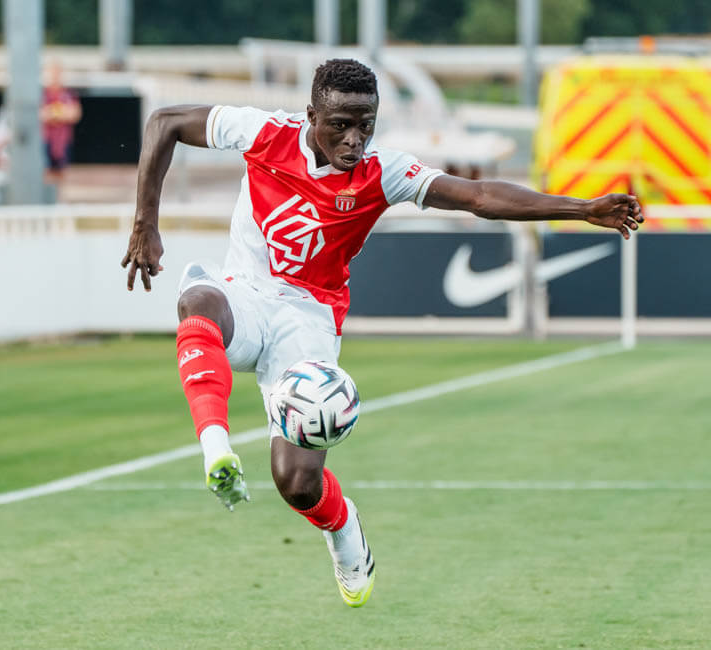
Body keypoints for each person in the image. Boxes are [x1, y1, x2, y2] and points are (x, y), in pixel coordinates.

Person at [120, 59, 642, 608]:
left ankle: (343, 528)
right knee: (198, 302)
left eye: (365, 125)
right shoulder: (263, 132)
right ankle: (216, 450)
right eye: (340, 125)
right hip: (246, 293)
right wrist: (145, 223)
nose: (354, 139)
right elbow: (164, 123)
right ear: (311, 116)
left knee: (296, 482)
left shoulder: (382, 171)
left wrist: (581, 208)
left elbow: (479, 197)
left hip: (308, 319)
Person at [40, 63, 82, 183]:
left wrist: (54, 113)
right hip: (46, 139)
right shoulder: (42, 94)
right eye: (52, 74)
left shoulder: (68, 94)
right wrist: (58, 113)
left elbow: (75, 114)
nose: (55, 77)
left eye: (57, 74)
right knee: (46, 172)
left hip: (63, 141)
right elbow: (39, 114)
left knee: (61, 174)